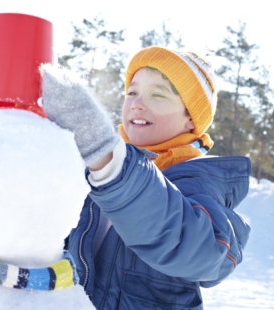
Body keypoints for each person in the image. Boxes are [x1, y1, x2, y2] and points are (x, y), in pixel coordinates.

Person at [40, 46, 251, 310]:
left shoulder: (202, 180)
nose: (138, 104)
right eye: (132, 92)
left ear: (191, 120)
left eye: (157, 95)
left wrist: (109, 161)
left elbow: (201, 250)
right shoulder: (92, 166)